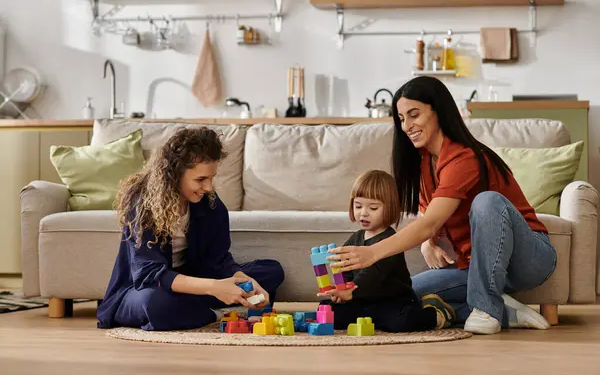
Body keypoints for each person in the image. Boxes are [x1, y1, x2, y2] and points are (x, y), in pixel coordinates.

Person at [328, 76, 557, 335]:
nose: (407, 126)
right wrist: (428, 242)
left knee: (487, 201)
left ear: (438, 111)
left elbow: (431, 222)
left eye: (414, 115)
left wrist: (373, 253)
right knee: (409, 293)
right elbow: (431, 213)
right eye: (402, 119)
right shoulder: (424, 162)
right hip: (479, 268)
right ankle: (504, 311)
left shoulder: (465, 157)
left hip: (528, 260)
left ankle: (487, 310)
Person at [97, 127, 285, 331]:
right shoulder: (144, 203)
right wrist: (214, 288)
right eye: (201, 179)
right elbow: (150, 274)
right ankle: (217, 313)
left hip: (195, 283)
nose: (209, 188)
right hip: (144, 289)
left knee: (271, 271)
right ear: (174, 174)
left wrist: (247, 282)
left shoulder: (209, 203)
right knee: (155, 303)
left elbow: (218, 261)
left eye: (211, 178)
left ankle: (202, 306)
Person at [318, 170, 456, 332]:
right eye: (358, 206)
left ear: (389, 208)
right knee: (329, 309)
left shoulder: (389, 241)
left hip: (391, 301)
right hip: (362, 299)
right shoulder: (356, 238)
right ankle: (368, 317)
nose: (364, 213)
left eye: (373, 208)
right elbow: (345, 268)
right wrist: (341, 291)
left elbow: (373, 274)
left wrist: (351, 291)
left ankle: (436, 313)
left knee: (401, 322)